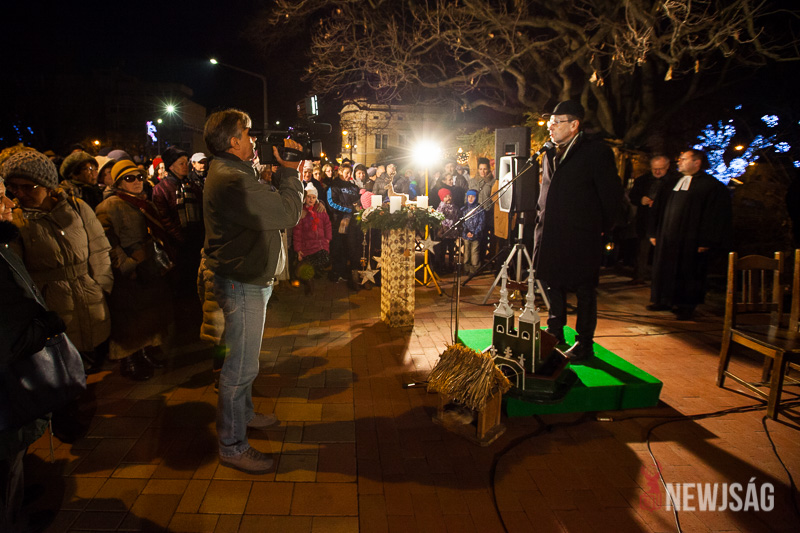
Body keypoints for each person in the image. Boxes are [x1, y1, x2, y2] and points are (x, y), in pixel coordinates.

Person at [202, 108, 303, 474]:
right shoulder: (232, 179)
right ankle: (232, 445)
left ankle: (243, 415)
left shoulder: (234, 172)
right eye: (248, 133)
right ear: (234, 142)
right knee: (240, 367)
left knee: (244, 360)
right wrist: (290, 173)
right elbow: (288, 213)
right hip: (242, 281)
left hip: (246, 277)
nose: (255, 139)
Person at [2, 148, 114, 370]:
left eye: (28, 187)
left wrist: (101, 286)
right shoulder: (15, 221)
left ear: (47, 184)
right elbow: (18, 275)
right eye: (13, 187)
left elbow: (100, 249)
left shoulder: (76, 207)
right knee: (64, 367)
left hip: (90, 298)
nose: (19, 194)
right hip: (52, 306)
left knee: (95, 360)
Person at [533, 100, 624, 361]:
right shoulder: (550, 152)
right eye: (549, 123)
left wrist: (602, 229)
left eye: (556, 122)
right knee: (552, 283)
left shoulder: (595, 152)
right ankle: (555, 331)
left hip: (582, 234)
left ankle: (584, 343)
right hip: (551, 232)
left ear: (574, 125)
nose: (550, 127)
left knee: (584, 289)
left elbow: (611, 196)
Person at [1, 175, 64, 533]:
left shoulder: (3, 247)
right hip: (6, 389)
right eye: (0, 197)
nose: (10, 203)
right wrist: (42, 328)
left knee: (13, 462)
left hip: (13, 383)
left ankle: (17, 505)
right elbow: (7, 337)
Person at [95, 160, 174, 381]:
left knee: (147, 314)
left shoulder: (142, 203)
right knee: (128, 318)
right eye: (129, 178)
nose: (137, 182)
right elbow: (107, 242)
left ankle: (145, 351)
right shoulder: (110, 206)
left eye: (139, 177)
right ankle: (128, 358)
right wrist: (128, 264)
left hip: (148, 266)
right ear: (119, 182)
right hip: (130, 271)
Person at [647, 149, 732, 320]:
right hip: (667, 236)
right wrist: (653, 232)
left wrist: (707, 240)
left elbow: (716, 216)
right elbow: (658, 208)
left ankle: (686, 306)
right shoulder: (671, 182)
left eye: (684, 159)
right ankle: (663, 299)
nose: (679, 162)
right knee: (664, 267)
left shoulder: (711, 186)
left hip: (691, 239)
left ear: (697, 162)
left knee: (689, 271)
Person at [627, 155, 674, 283]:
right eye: (654, 169)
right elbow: (633, 196)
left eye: (660, 169)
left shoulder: (674, 181)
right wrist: (641, 200)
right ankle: (639, 275)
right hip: (645, 219)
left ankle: (661, 277)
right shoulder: (642, 180)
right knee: (642, 249)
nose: (657, 172)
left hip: (665, 220)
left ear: (667, 167)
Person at [293, 183, 332, 294]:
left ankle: (306, 272)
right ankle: (309, 282)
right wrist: (298, 249)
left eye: (313, 197)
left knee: (323, 259)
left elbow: (327, 225)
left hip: (320, 244)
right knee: (308, 265)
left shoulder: (320, 210)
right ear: (305, 198)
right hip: (307, 245)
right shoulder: (302, 213)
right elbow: (297, 232)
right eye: (309, 197)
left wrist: (327, 238)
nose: (311, 199)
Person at [434, 187, 459, 274]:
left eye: (449, 196)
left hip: (452, 233)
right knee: (443, 250)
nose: (448, 198)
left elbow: (456, 217)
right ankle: (442, 265)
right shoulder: (441, 207)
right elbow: (440, 217)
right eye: (446, 197)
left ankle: (451, 264)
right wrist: (448, 224)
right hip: (444, 233)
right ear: (442, 198)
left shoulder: (454, 207)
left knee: (452, 249)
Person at [461, 189, 485, 273]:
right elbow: (462, 222)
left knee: (475, 252)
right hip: (466, 235)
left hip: (476, 235)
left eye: (473, 197)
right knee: (466, 251)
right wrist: (466, 231)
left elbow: (481, 223)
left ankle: (474, 269)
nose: (470, 199)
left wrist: (475, 232)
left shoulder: (480, 210)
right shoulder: (464, 209)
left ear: (476, 198)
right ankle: (466, 268)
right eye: (469, 197)